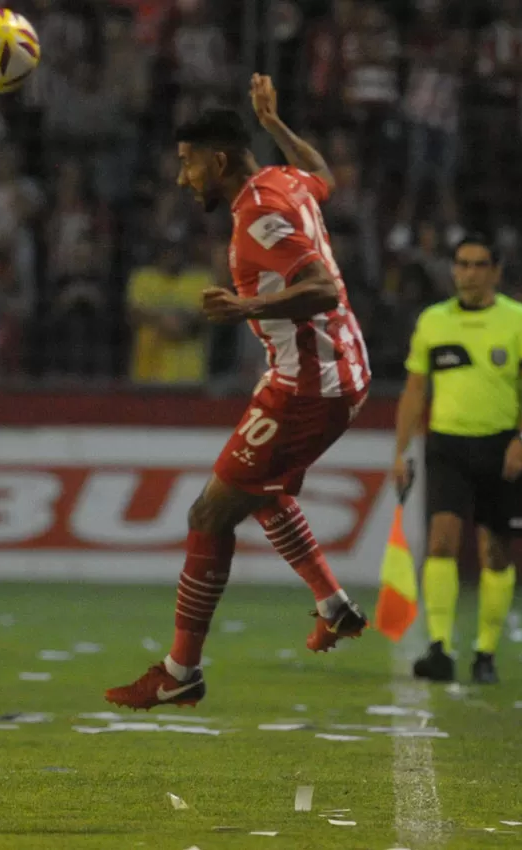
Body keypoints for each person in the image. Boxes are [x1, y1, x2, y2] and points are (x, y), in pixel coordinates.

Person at [106, 75, 372, 711]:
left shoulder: (260, 214)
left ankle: (181, 671)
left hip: (310, 384)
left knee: (209, 514)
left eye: (187, 163)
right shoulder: (283, 178)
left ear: (217, 160)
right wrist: (276, 123)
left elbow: (322, 289)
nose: (182, 178)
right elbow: (323, 172)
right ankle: (333, 605)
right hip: (322, 369)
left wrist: (243, 305)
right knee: (260, 489)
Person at [391, 233, 522, 685]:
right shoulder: (433, 321)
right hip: (447, 445)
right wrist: (401, 450)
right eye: (462, 264)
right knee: (441, 541)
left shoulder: (520, 321)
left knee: (495, 552)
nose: (469, 273)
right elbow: (414, 391)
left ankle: (485, 652)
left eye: (480, 265)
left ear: (496, 272)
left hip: (502, 447)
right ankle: (439, 647)